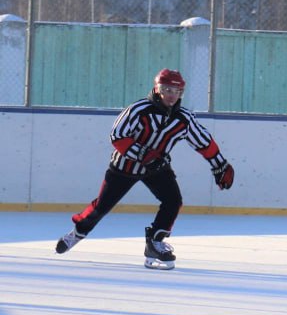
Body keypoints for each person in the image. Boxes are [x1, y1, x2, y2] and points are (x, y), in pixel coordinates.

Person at [53, 69, 235, 270]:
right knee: (101, 207)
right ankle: (77, 233)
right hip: (124, 166)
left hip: (157, 168)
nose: (172, 95)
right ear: (157, 89)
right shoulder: (139, 109)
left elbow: (203, 141)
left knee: (173, 201)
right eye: (167, 89)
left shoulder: (184, 118)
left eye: (177, 91)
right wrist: (143, 155)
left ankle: (155, 243)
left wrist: (220, 164)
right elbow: (117, 136)